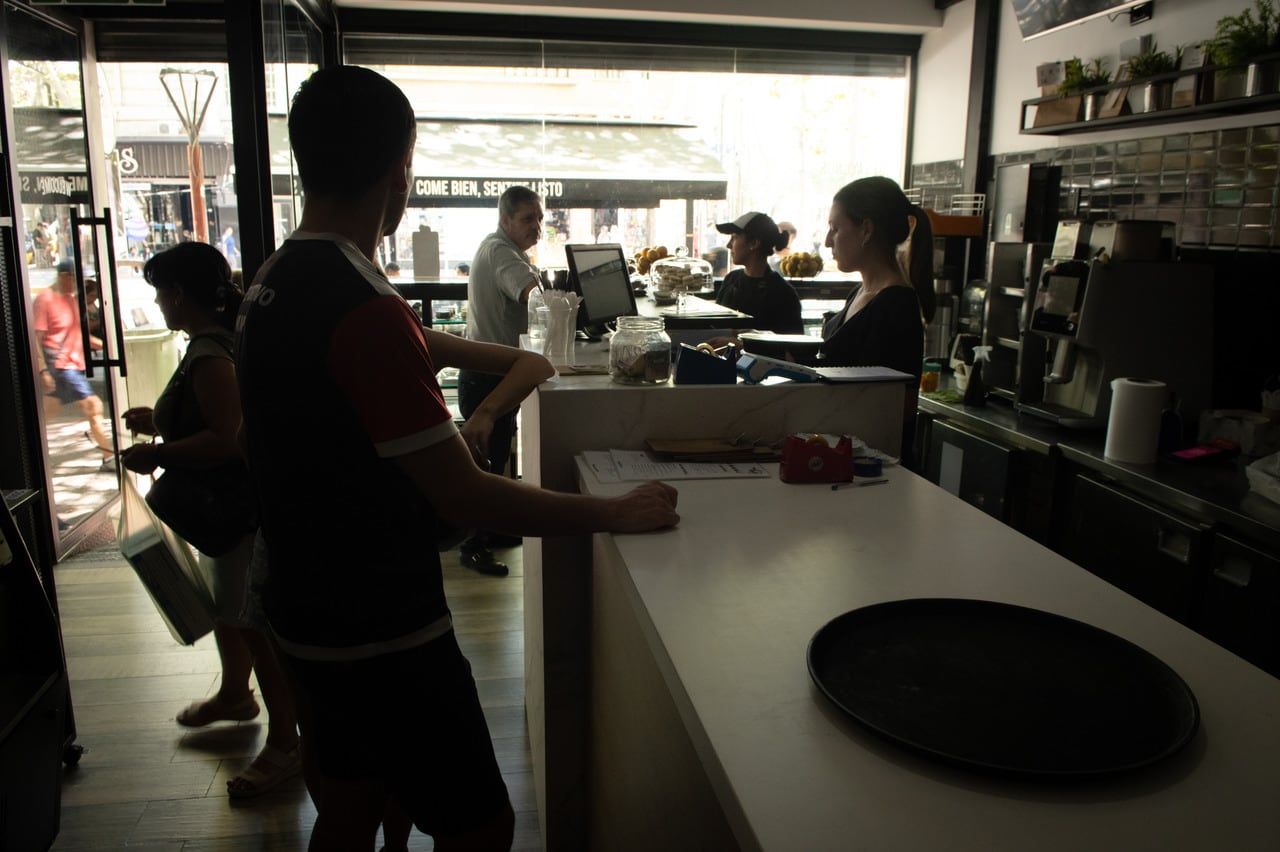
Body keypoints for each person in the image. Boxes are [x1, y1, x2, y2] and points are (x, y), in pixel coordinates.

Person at [236, 65, 678, 852]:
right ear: (400, 168)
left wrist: (495, 378)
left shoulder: (277, 278)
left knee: (350, 809)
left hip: (303, 609)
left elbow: (410, 360)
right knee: (481, 828)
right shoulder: (361, 309)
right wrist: (614, 512)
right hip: (383, 629)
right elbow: (467, 498)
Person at [119, 242, 300, 799]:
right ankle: (235, 696)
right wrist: (163, 419)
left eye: (160, 293)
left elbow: (228, 437)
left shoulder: (206, 353)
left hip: (234, 511)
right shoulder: (219, 342)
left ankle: (286, 742)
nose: (158, 302)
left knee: (250, 621)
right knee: (231, 610)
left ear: (177, 295)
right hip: (236, 510)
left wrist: (159, 453)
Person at [456, 184, 545, 576]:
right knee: (484, 470)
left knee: (494, 461)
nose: (537, 227)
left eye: (539, 218)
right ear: (505, 220)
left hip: (487, 375)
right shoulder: (503, 254)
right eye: (528, 219)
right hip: (486, 379)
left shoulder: (496, 248)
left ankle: (490, 530)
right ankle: (472, 545)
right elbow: (534, 297)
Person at [818, 176, 934, 469]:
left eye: (835, 228)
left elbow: (900, 408)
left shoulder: (896, 305)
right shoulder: (860, 293)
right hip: (845, 458)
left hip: (875, 469)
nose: (827, 240)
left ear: (866, 230)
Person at [33, 259, 111, 463]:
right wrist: (43, 370)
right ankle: (109, 456)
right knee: (93, 407)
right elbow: (36, 338)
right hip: (60, 364)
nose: (77, 285)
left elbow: (76, 332)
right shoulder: (44, 300)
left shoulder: (70, 299)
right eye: (75, 279)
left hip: (74, 364)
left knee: (47, 411)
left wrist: (102, 345)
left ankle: (29, 449)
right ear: (64, 276)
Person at [714, 212, 803, 335]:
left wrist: (742, 343)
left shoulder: (783, 293)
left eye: (734, 237)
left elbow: (792, 350)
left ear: (754, 243)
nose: (728, 245)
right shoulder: (731, 279)